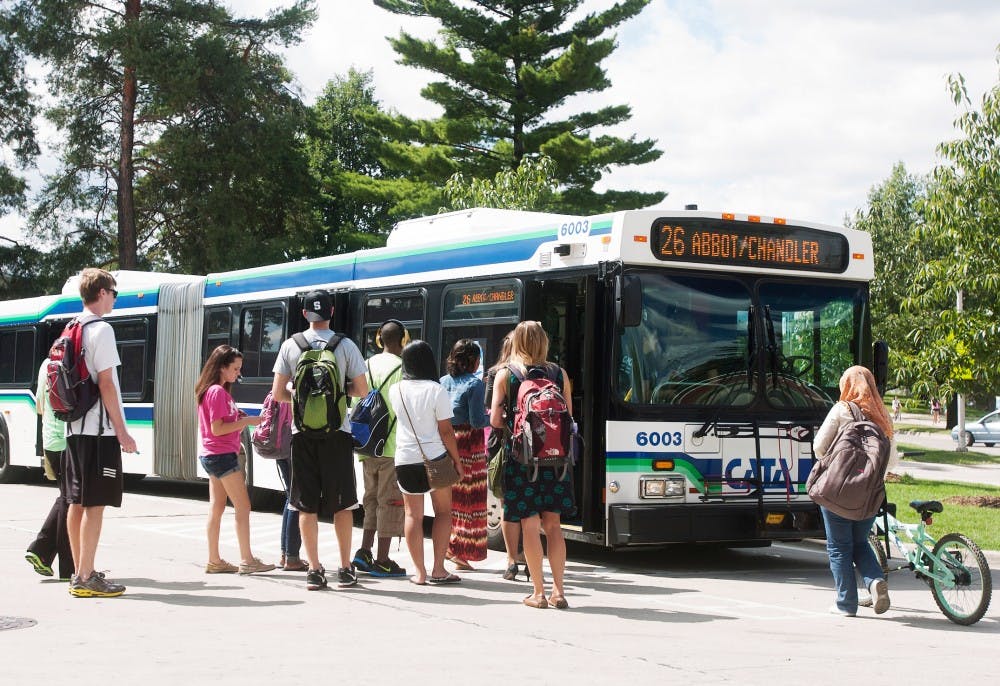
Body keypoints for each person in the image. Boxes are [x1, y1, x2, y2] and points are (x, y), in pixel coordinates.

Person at [271, 290, 368, 591]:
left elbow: (277, 394)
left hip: (302, 436)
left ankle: (314, 570)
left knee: (305, 504)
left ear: (304, 315)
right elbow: (362, 390)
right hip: (337, 433)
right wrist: (338, 395)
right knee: (343, 505)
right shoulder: (345, 345)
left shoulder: (291, 345)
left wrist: (302, 400)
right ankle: (345, 568)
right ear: (332, 311)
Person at [489, 321, 573, 609]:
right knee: (554, 525)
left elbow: (495, 421)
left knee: (530, 523)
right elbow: (569, 418)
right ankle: (559, 591)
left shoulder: (506, 374)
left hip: (522, 460)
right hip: (557, 460)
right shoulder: (559, 374)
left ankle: (538, 593)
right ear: (544, 342)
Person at [64, 268, 137, 598]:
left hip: (74, 428)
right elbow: (106, 383)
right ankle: (86, 576)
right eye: (114, 293)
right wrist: (121, 431)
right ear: (103, 292)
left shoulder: (71, 327)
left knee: (76, 501)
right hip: (98, 431)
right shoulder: (101, 329)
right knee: (95, 504)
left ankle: (80, 570)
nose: (114, 299)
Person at [813, 365, 899, 617]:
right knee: (860, 543)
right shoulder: (883, 415)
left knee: (839, 547)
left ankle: (845, 603)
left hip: (837, 491)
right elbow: (891, 462)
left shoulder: (843, 409)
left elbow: (819, 446)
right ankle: (874, 582)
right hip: (870, 494)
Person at [388, 340, 464, 586]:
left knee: (413, 515)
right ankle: (439, 569)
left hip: (405, 459)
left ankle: (419, 573)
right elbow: (446, 432)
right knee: (443, 513)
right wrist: (457, 461)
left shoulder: (396, 389)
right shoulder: (436, 389)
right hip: (436, 458)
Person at [196, 345, 274, 575]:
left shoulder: (210, 390)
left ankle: (214, 559)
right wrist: (247, 421)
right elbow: (218, 428)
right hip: (222, 456)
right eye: (235, 368)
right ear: (221, 367)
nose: (238, 373)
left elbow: (218, 425)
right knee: (243, 506)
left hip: (211, 455)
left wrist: (238, 419)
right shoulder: (218, 392)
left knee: (217, 507)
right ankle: (247, 560)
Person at [352, 319, 408, 578]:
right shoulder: (403, 367)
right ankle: (383, 559)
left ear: (379, 339)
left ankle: (364, 551)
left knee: (371, 499)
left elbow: (356, 401)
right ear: (403, 340)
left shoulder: (366, 364)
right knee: (391, 502)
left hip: (365, 445)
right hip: (391, 446)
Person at [440, 339, 489, 571]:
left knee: (453, 499)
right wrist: (495, 416)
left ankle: (451, 546)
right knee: (470, 499)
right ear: (473, 360)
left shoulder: (443, 382)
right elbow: (478, 421)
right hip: (468, 444)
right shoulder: (475, 384)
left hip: (446, 442)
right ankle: (460, 552)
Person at [25, 358, 73, 581]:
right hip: (68, 441)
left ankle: (42, 552)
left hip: (51, 442)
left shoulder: (45, 364)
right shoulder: (68, 364)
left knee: (66, 498)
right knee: (70, 501)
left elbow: (40, 408)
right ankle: (66, 566)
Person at [484, 332, 524, 581]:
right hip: (533, 448)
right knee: (534, 509)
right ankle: (529, 556)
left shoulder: (497, 373)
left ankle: (512, 560)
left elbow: (492, 411)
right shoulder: (544, 373)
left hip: (504, 443)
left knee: (506, 501)